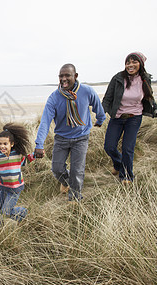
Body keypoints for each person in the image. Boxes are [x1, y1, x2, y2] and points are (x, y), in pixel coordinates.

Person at [34, 63, 106, 202]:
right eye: (61, 76)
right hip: (61, 138)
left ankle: (74, 199)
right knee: (56, 168)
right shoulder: (54, 97)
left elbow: (98, 106)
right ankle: (67, 182)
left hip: (81, 137)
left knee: (77, 170)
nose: (64, 79)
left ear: (76, 76)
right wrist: (39, 144)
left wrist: (101, 119)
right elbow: (45, 121)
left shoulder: (87, 91)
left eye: (67, 75)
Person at [102, 52, 157, 184]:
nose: (130, 65)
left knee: (127, 148)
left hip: (134, 118)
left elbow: (149, 97)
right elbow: (107, 98)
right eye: (128, 62)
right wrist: (101, 115)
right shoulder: (118, 78)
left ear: (140, 64)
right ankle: (119, 165)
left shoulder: (145, 79)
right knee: (109, 146)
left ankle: (127, 176)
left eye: (134, 62)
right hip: (117, 117)